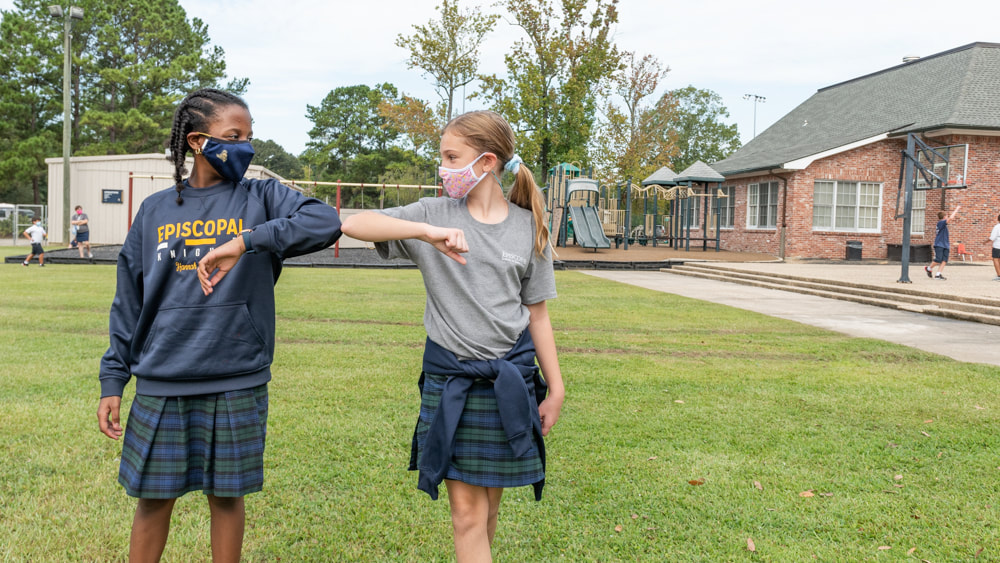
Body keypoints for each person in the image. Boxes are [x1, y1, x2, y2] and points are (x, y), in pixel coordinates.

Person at [97, 87, 341, 563]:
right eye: (235, 136)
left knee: (227, 498)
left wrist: (247, 241)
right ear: (196, 141)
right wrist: (113, 378)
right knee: (153, 498)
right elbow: (129, 298)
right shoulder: (155, 210)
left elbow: (325, 220)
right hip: (163, 378)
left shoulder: (262, 196)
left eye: (250, 137)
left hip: (236, 374)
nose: (246, 147)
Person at [341, 110, 565, 563]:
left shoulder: (528, 226)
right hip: (451, 384)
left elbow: (537, 315)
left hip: (509, 383)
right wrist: (427, 232)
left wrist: (556, 387)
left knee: (487, 511)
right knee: (466, 514)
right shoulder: (431, 213)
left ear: (485, 162)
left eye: (450, 157)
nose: (442, 168)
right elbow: (354, 224)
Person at [925, 205, 960, 280]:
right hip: (939, 244)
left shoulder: (943, 224)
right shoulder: (940, 223)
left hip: (945, 244)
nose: (947, 217)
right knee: (938, 259)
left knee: (944, 260)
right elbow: (951, 218)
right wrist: (956, 209)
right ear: (944, 217)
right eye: (946, 215)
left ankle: (938, 274)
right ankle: (929, 268)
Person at [987, 213, 1000, 281]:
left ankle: (999, 275)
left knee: (996, 260)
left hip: (997, 246)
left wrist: (985, 242)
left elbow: (992, 238)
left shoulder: (997, 227)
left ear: (998, 219)